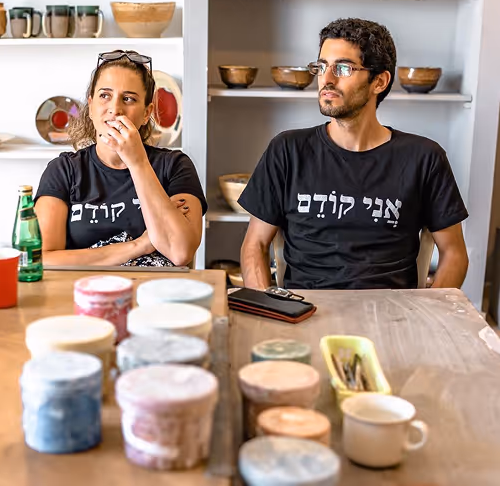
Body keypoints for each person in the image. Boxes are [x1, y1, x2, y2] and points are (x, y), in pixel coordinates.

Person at [239, 18, 469, 290]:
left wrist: (427, 318)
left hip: (390, 317)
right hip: (304, 313)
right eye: (322, 66)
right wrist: (271, 310)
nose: (327, 78)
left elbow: (454, 254)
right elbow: (255, 244)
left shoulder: (423, 158)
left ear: (379, 82)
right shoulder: (288, 150)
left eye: (343, 68)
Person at [35, 50, 206, 267]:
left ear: (146, 113)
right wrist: (139, 245)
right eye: (105, 95)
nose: (115, 109)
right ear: (91, 106)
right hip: (83, 295)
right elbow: (43, 260)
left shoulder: (174, 166)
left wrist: (137, 162)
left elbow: (181, 252)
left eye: (128, 99)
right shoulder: (64, 170)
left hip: (155, 295)